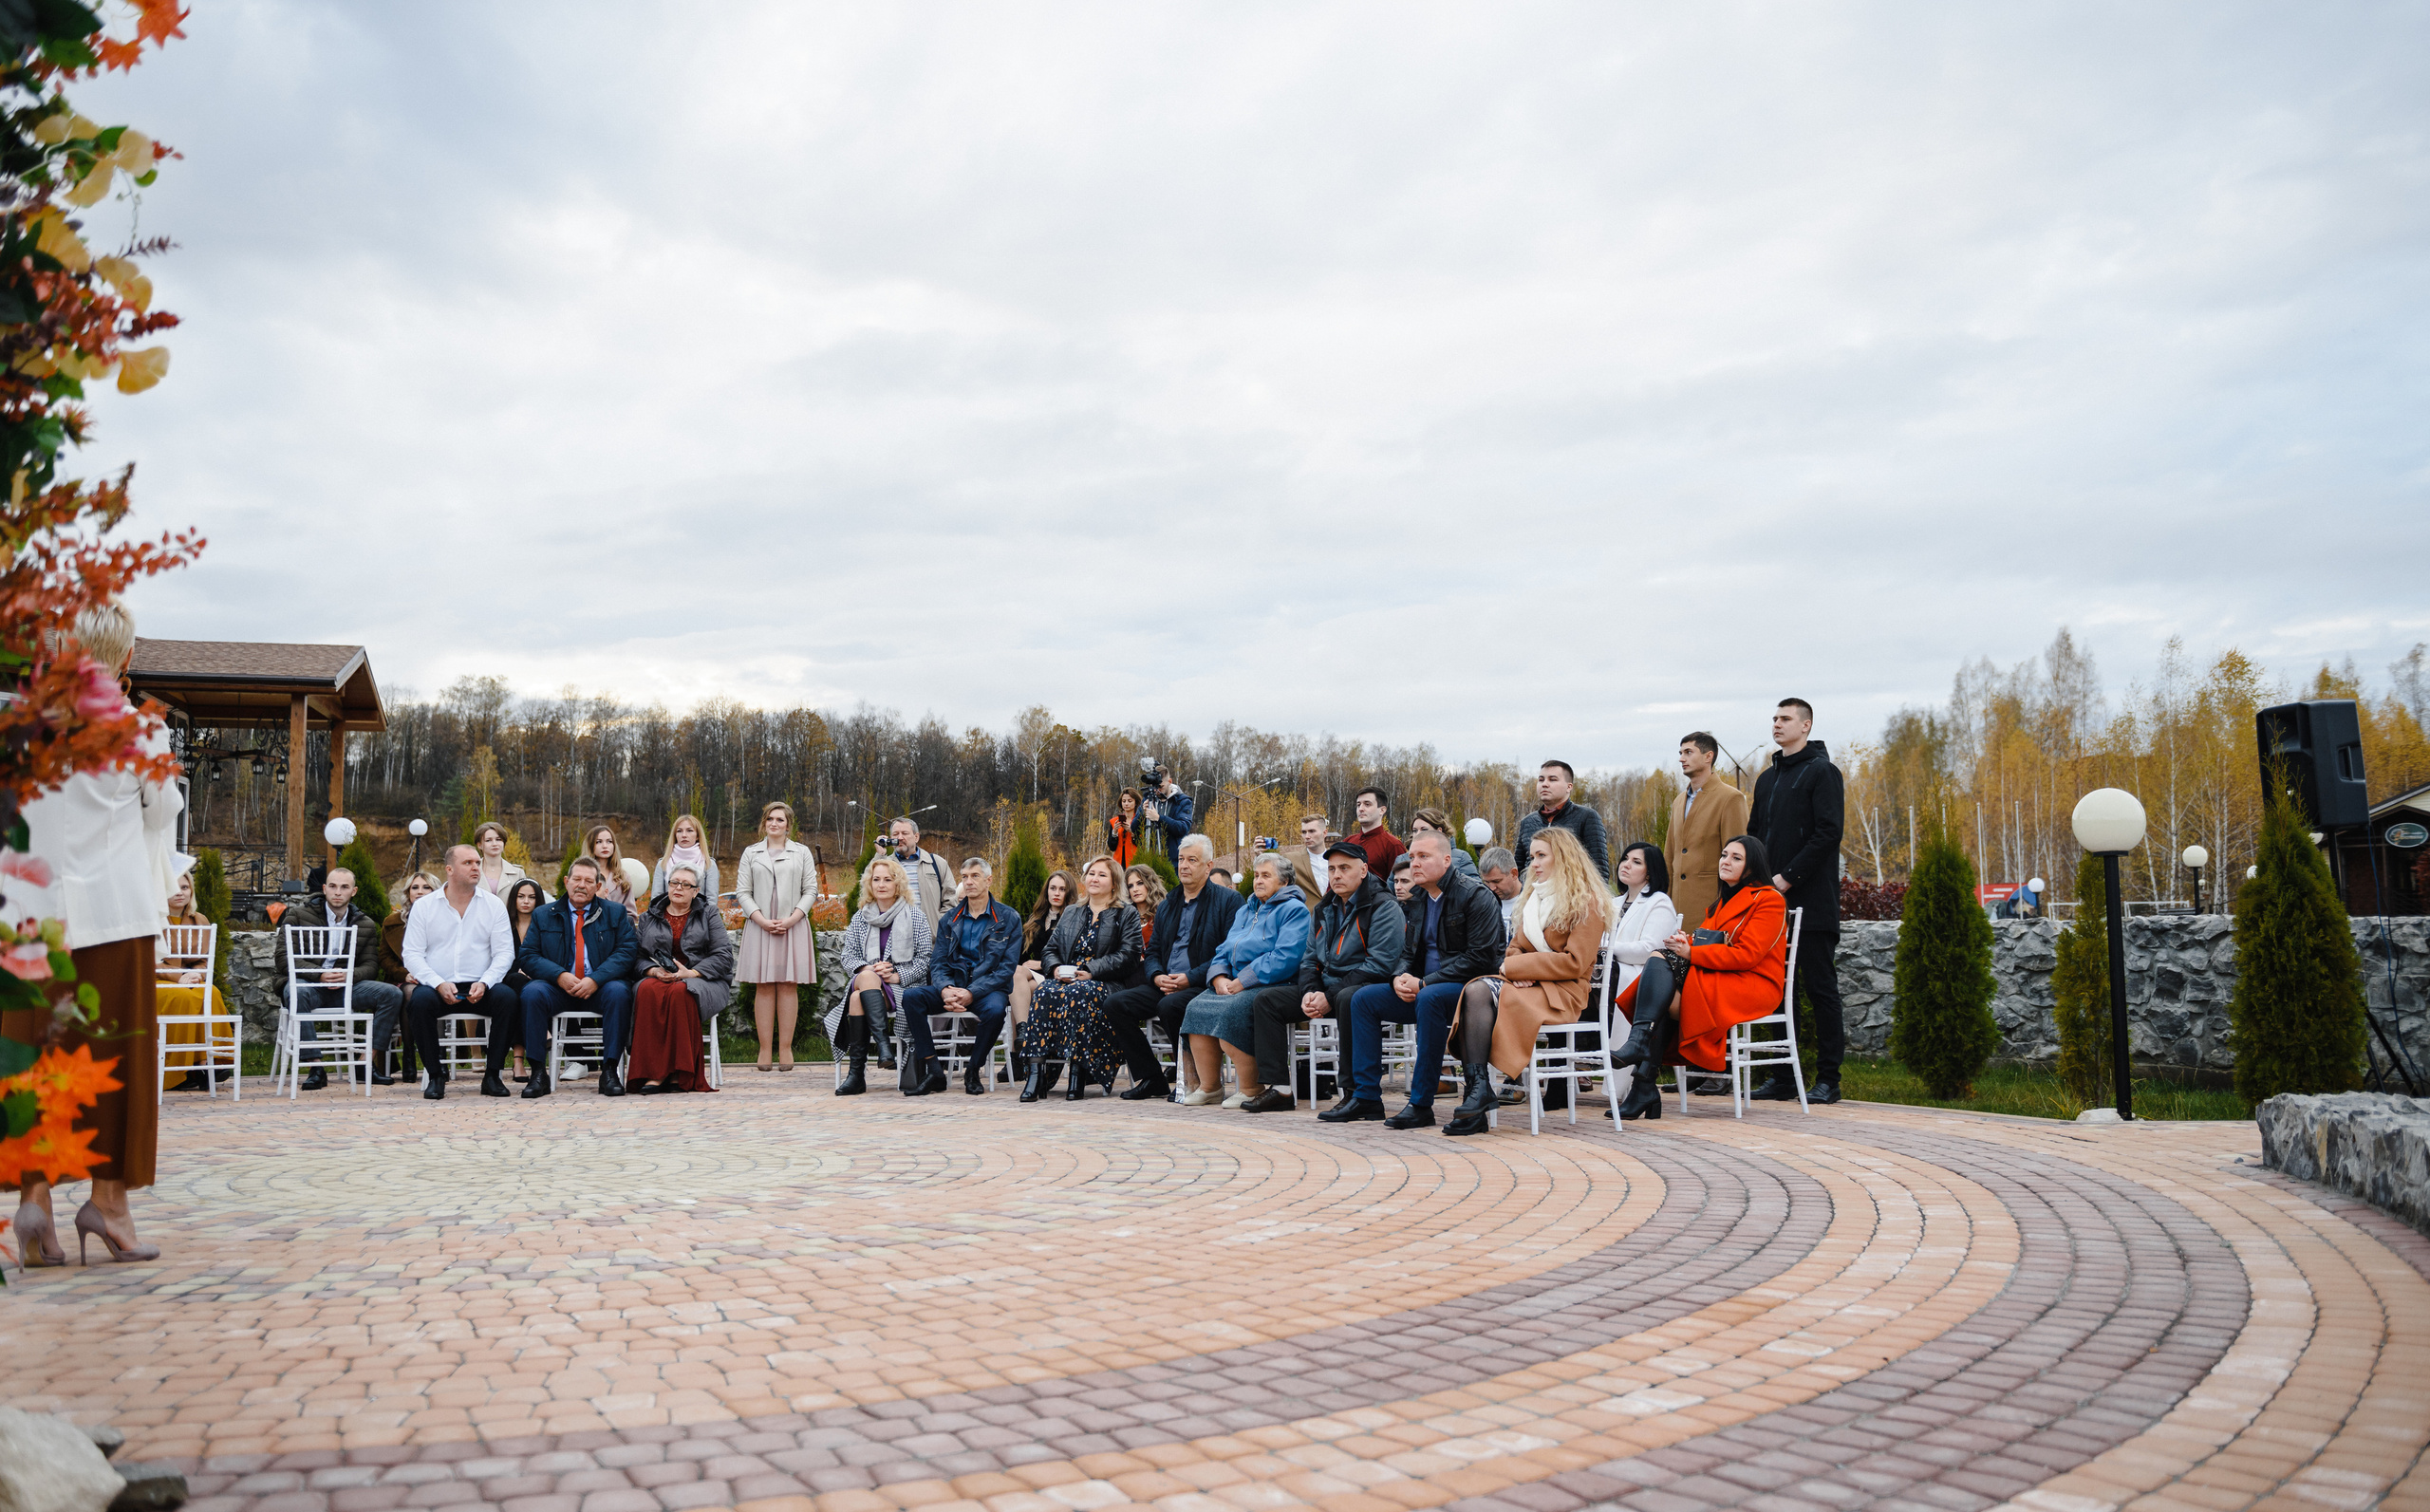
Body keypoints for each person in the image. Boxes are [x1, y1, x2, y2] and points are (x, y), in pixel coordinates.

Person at [9, 603, 176, 1266]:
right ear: (126, 656)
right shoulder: (141, 730)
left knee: (37, 1057)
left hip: (29, 918)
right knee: (113, 1060)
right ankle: (108, 1204)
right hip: (113, 915)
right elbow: (161, 814)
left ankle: (34, 1201)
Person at [1415, 828, 1611, 1135]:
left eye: (1541, 855)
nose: (1534, 863)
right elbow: (1514, 948)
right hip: (1528, 985)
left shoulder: (1588, 902)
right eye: (1532, 856)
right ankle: (1478, 1090)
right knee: (1475, 989)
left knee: (1481, 993)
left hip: (1564, 992)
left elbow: (1574, 962)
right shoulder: (1535, 898)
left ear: (1564, 857)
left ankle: (1475, 1099)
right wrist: (1516, 969)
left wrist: (1520, 969)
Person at [1327, 830, 1505, 1127]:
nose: (1415, 864)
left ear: (1446, 860)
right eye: (1412, 857)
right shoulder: (1419, 898)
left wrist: (1424, 983)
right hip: (1426, 988)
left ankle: (1421, 1104)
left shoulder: (1475, 895)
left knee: (1429, 998)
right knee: (1362, 999)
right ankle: (1366, 1097)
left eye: (1424, 856)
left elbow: (1481, 959)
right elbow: (1408, 954)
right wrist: (1399, 977)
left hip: (1472, 990)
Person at [1612, 835, 1790, 1096]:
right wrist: (1685, 942)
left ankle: (1642, 1071)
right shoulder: (1722, 901)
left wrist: (1690, 953)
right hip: (1719, 975)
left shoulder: (1769, 899)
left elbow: (1748, 956)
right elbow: (1706, 940)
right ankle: (1643, 1082)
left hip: (1752, 984)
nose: (1725, 861)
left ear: (1752, 866)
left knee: (1661, 976)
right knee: (1661, 970)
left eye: (1736, 858)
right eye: (1724, 855)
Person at [1239, 841, 1403, 1113]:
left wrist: (1328, 997)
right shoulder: (1324, 908)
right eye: (1332, 869)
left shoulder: (1383, 906)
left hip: (1365, 987)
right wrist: (1309, 992)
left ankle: (1354, 1093)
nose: (1336, 875)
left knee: (1349, 999)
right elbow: (1309, 959)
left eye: (1344, 868)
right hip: (1326, 988)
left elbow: (1379, 965)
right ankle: (1280, 1089)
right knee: (1267, 1001)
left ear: (1363, 870)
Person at [1748, 700, 1845, 1105]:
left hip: (1813, 902)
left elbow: (1828, 833)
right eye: (1774, 718)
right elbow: (1754, 837)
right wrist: (1754, 884)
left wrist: (1787, 877)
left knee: (1820, 989)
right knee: (1776, 988)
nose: (1777, 724)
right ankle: (1784, 1077)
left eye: (1785, 719)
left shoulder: (1823, 772)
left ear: (1806, 725)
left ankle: (1829, 1079)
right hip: (1771, 904)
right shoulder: (1767, 779)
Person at [1094, 835, 1244, 1101]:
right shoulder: (1167, 904)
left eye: (1192, 860)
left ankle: (1191, 1078)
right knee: (1115, 1004)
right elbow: (1153, 951)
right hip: (1166, 983)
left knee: (1170, 1006)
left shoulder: (1228, 901)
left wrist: (1189, 978)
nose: (1184, 865)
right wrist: (1156, 976)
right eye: (1181, 859)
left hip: (1204, 984)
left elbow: (1229, 952)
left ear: (1208, 866)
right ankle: (1152, 1078)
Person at [1178, 851, 1311, 1105]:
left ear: (1284, 882)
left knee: (1233, 1010)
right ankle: (1210, 1087)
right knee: (1196, 1007)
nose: (1258, 881)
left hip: (1272, 983)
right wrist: (1218, 976)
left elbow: (1286, 957)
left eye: (1266, 876)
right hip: (1234, 983)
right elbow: (1224, 949)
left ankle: (1251, 1087)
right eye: (1257, 875)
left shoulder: (1294, 910)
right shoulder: (1245, 910)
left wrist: (1244, 980)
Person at [514, 855, 641, 1097]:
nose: (582, 885)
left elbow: (626, 952)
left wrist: (596, 979)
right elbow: (528, 955)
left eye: (589, 881)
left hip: (600, 987)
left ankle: (609, 1072)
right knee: (532, 993)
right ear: (566, 881)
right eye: (577, 879)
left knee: (619, 993)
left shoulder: (615, 913)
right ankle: (538, 1073)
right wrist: (559, 975)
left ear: (598, 886)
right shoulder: (543, 914)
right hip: (558, 988)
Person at [275, 867, 409, 1090]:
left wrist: (349, 975)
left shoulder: (364, 924)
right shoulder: (298, 915)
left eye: (344, 887)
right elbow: (283, 959)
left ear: (353, 891)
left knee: (392, 994)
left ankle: (364, 1063)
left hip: (346, 988)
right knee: (296, 991)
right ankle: (315, 1068)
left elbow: (370, 966)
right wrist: (319, 974)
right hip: (309, 985)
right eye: (333, 886)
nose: (338, 892)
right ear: (324, 889)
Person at [401, 845, 516, 1101]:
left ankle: (492, 1075)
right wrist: (438, 983)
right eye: (468, 863)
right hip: (437, 986)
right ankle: (435, 1075)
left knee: (508, 999)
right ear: (449, 869)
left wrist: (485, 982)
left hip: (480, 985)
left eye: (477, 862)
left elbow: (504, 953)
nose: (476, 867)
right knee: (418, 1002)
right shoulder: (425, 907)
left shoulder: (493, 905)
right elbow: (412, 954)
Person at [1020, 856, 1141, 1102]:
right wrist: (1055, 968)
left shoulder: (1126, 913)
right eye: (1091, 874)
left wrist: (1090, 970)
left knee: (1081, 991)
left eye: (1102, 875)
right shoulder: (1072, 911)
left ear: (1114, 883)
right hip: (1067, 978)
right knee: (1043, 991)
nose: (1094, 878)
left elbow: (1128, 955)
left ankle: (1078, 1074)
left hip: (1105, 981)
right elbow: (1050, 949)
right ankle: (1036, 1074)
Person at [900, 857, 1023, 1095]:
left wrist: (971, 993)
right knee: (912, 997)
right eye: (964, 877)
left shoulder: (1008, 918)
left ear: (988, 880)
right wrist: (945, 988)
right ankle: (934, 1071)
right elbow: (937, 962)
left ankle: (973, 1070)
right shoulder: (950, 919)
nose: (968, 882)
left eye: (975, 876)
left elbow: (1006, 969)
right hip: (954, 987)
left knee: (996, 1011)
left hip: (987, 989)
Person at [828, 856, 934, 1095]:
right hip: (867, 981)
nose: (881, 885)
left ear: (898, 884)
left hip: (902, 988)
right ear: (869, 884)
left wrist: (898, 975)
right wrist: (870, 969)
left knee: (856, 999)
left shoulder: (915, 916)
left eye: (887, 879)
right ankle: (883, 1048)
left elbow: (925, 959)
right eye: (876, 880)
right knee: (867, 978)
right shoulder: (861, 917)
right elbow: (848, 957)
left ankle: (857, 1074)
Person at [627, 864, 734, 1093]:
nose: (678, 888)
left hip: (702, 979)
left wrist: (691, 973)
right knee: (646, 990)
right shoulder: (648, 917)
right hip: (658, 976)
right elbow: (636, 957)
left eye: (686, 885)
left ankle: (679, 1072)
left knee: (681, 991)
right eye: (674, 883)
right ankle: (653, 1074)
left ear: (696, 891)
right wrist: (653, 971)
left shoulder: (709, 914)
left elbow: (724, 956)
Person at [1601, 842, 1682, 1120]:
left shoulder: (1659, 902)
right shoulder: (1612, 903)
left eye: (1636, 862)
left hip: (1641, 978)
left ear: (1650, 872)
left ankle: (1634, 1079)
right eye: (1625, 858)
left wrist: (1606, 950)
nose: (1626, 864)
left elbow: (1650, 950)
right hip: (1606, 973)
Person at [736, 801, 817, 1072]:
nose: (774, 823)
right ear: (764, 823)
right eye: (770, 818)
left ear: (788, 825)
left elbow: (811, 890)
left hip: (792, 924)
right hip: (760, 925)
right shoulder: (751, 853)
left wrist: (793, 918)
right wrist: (760, 919)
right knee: (763, 985)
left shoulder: (801, 852)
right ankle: (764, 1050)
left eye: (780, 819)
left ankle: (785, 1049)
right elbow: (743, 892)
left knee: (788, 984)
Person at [1665, 732, 1751, 932]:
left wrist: (1732, 910)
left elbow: (1739, 859)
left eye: (1688, 752)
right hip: (1675, 909)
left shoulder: (1730, 798)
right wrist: (1664, 900)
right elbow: (1670, 854)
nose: (1682, 758)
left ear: (1708, 756)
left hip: (1713, 906)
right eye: (1680, 753)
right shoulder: (1678, 801)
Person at [159, 867, 234, 1092]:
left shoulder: (199, 920)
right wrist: (179, 976)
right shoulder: (152, 920)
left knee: (211, 991)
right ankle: (178, 1070)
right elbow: (147, 961)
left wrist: (196, 975)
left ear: (191, 891)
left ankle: (210, 1060)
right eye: (172, 887)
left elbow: (203, 960)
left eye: (185, 887)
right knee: (185, 998)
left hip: (190, 980)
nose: (179, 892)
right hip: (157, 979)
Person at [1009, 868, 1076, 1063]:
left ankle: (1017, 1057)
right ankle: (1022, 1043)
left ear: (1069, 892)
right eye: (1053, 888)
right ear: (1046, 891)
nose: (1056, 893)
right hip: (1037, 977)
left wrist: (1040, 964)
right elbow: (1021, 954)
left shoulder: (1073, 918)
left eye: (1062, 889)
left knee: (1019, 991)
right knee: (1018, 981)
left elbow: (1073, 956)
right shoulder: (1036, 918)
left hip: (1060, 975)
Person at [379, 869, 439, 1081]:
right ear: (408, 893)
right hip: (403, 980)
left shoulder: (446, 919)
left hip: (438, 978)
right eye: (415, 888)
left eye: (426, 887)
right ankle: (408, 1055)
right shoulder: (393, 922)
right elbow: (384, 958)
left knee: (433, 993)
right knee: (411, 993)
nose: (420, 892)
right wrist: (404, 974)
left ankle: (437, 1057)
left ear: (435, 892)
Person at [1515, 761, 1610, 882]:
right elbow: (1518, 868)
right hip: (1534, 891)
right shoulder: (1528, 822)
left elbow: (1599, 870)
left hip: (1571, 891)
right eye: (1541, 780)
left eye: (1552, 779)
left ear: (1569, 787)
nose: (1545, 784)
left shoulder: (1586, 817)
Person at [498, 878, 547, 1080]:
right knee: (517, 984)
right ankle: (543, 1032)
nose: (526, 901)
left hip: (537, 982)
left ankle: (518, 1061)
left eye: (531, 897)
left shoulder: (545, 926)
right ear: (514, 899)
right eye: (521, 897)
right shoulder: (503, 926)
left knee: (522, 994)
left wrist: (532, 972)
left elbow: (550, 959)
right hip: (506, 981)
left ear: (538, 900)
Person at [883, 816, 958, 937]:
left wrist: (939, 925)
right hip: (894, 939)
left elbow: (951, 900)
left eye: (905, 833)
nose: (899, 838)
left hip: (931, 940)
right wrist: (880, 855)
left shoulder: (936, 863)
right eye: (895, 834)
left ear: (916, 837)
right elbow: (868, 892)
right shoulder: (884, 865)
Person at [578, 824, 651, 922]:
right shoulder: (581, 875)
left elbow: (631, 915)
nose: (605, 846)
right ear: (590, 845)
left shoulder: (623, 877)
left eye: (609, 841)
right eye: (599, 842)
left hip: (616, 928)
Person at [651, 812, 720, 903]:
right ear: (675, 835)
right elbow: (656, 900)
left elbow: (711, 901)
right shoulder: (663, 864)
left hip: (700, 911)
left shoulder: (709, 864)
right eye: (679, 831)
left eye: (689, 830)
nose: (684, 835)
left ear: (697, 835)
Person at [1409, 808, 1481, 880]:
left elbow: (1474, 885)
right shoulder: (1404, 858)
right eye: (1415, 830)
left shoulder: (1461, 857)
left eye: (1424, 829)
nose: (1418, 834)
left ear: (1439, 831)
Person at [1347, 787, 1405, 875]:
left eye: (1367, 804)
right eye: (1358, 805)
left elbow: (1401, 880)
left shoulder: (1393, 846)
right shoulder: (1348, 842)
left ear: (1382, 810)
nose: (1361, 809)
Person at [1140, 765, 1195, 854]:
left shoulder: (1183, 801)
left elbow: (1183, 828)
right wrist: (1143, 813)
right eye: (1155, 787)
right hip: (1150, 857)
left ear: (1170, 781)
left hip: (1173, 859)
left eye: (1161, 786)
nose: (1157, 790)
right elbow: (1134, 829)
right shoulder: (1148, 799)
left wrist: (1159, 818)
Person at [472, 822, 528, 899]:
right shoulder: (471, 871)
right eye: (488, 840)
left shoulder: (518, 873)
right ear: (480, 845)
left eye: (498, 839)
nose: (494, 844)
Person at [1478, 847, 1523, 932]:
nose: (1492, 888)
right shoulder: (1481, 905)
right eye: (1487, 882)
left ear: (1514, 874)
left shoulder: (1534, 902)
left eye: (1496, 881)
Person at [1105, 788, 1144, 869]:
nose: (1126, 804)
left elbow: (1143, 845)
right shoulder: (1114, 821)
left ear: (1136, 802)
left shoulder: (1141, 821)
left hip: (1136, 863)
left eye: (1130, 801)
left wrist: (1133, 832)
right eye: (1124, 801)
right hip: (1118, 864)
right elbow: (1112, 847)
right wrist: (1114, 832)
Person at [1294, 813, 1331, 896]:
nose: (1307, 836)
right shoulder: (1292, 860)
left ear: (1324, 833)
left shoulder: (1335, 859)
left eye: (1312, 831)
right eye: (1304, 832)